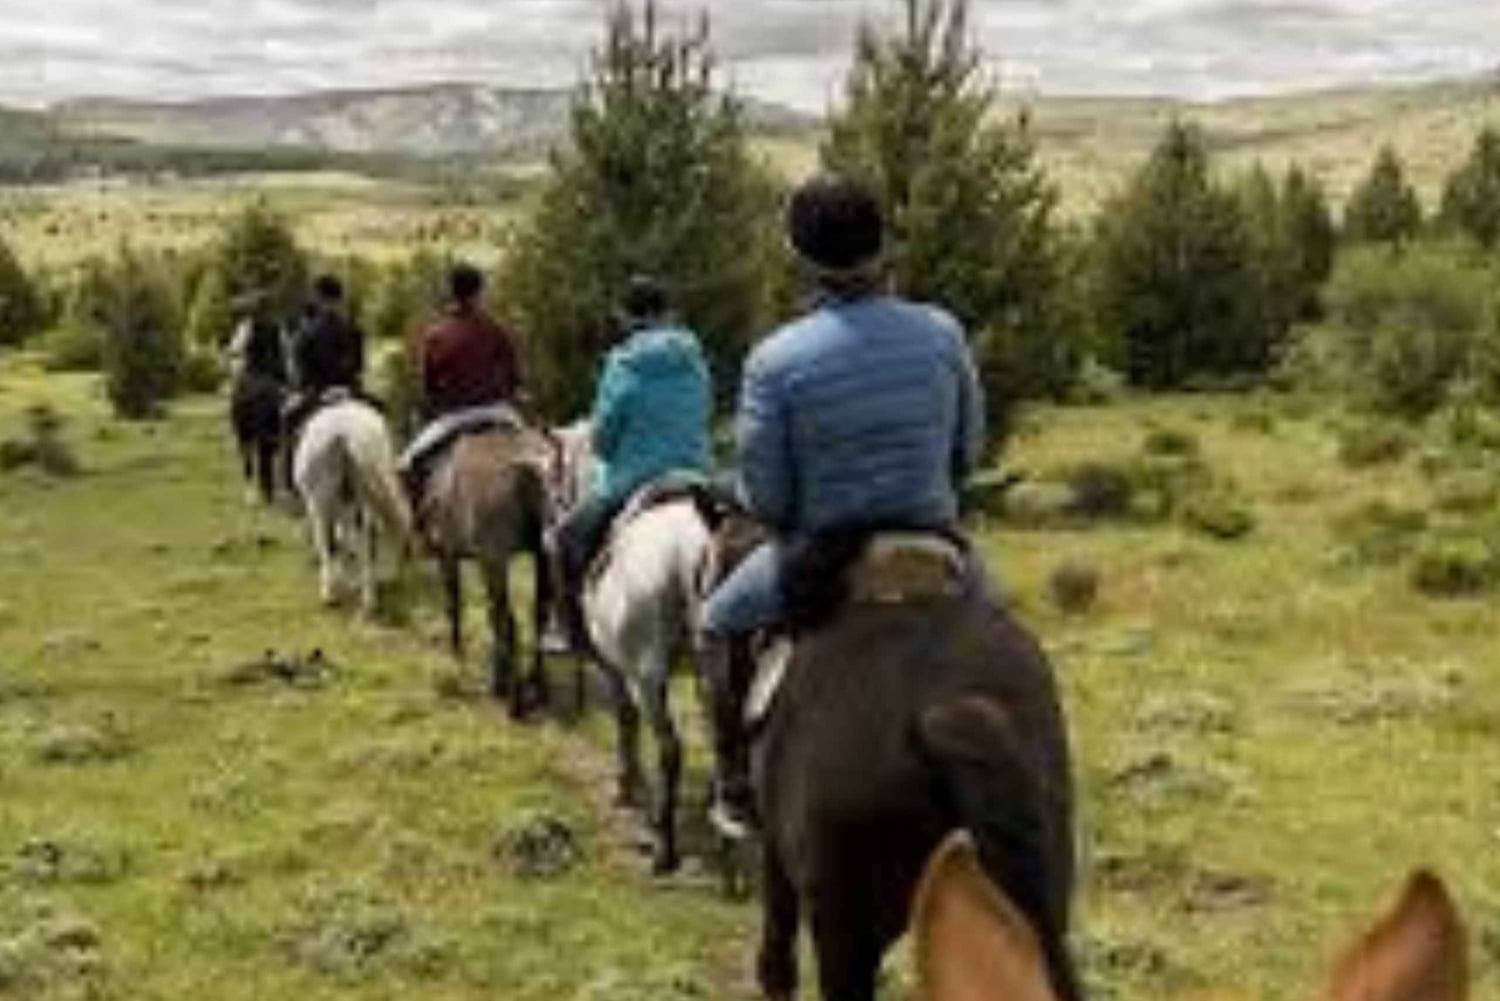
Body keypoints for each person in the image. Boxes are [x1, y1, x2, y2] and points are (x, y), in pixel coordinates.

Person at [699, 174, 986, 828]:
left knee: (717, 621)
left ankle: (734, 784)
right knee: (1003, 631)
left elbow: (769, 499)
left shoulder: (774, 360)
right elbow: (969, 450)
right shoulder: (943, 333)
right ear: (882, 245)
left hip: (823, 556)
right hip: (936, 546)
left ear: (800, 258)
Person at [550, 275, 713, 654]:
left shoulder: (623, 365)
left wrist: (610, 452)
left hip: (631, 480)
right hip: (694, 474)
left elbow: (604, 438)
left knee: (565, 539)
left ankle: (572, 633)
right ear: (668, 313)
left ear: (625, 316)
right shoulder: (694, 359)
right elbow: (704, 411)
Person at [398, 263, 525, 507]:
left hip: (454, 418)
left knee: (407, 466)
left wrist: (433, 404)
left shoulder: (436, 336)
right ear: (480, 292)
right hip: (499, 413)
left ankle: (417, 522)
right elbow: (514, 379)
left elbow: (428, 387)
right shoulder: (497, 330)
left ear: (451, 293)